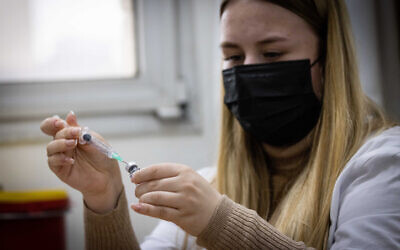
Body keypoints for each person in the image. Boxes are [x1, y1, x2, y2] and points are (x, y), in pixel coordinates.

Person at [40, 0, 400, 249]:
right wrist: (104, 197)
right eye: (233, 56)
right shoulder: (213, 183)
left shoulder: (382, 165)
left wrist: (220, 223)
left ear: (329, 58)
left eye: (273, 53)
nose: (247, 71)